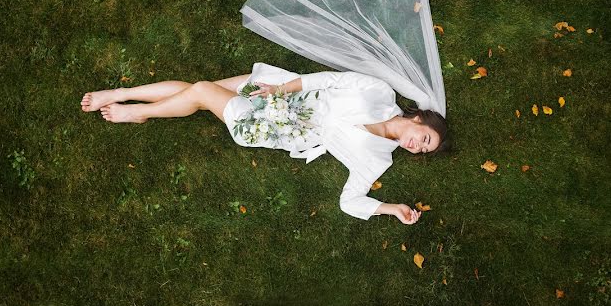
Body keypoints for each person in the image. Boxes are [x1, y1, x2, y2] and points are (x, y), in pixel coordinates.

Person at [81, 62, 450, 225]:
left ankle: (135, 112)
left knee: (201, 91)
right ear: (419, 119)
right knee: (198, 90)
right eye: (426, 138)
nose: (417, 147)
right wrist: (278, 88)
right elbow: (327, 79)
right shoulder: (379, 91)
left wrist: (390, 208)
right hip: (286, 91)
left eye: (423, 151)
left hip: (278, 127)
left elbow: (349, 201)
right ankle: (124, 94)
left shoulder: (378, 159)